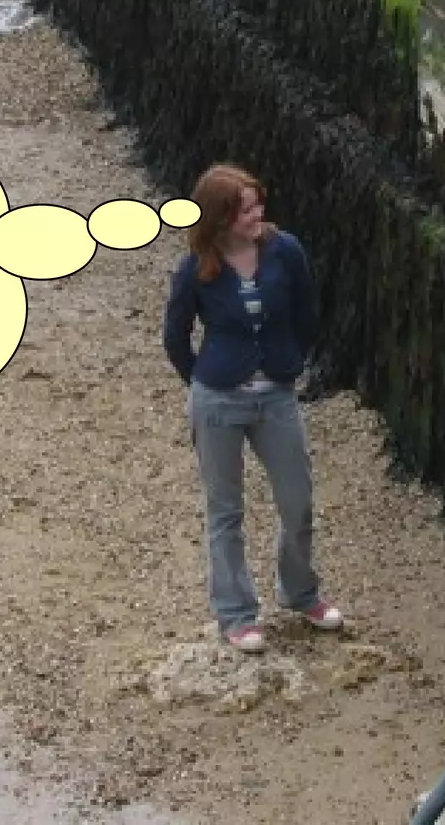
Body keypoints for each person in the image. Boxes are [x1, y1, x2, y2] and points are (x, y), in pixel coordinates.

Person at [164, 163, 343, 653]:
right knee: (226, 512)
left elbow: (307, 314)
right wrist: (207, 379)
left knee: (298, 501)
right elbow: (176, 339)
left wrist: (291, 362)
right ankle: (237, 614)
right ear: (220, 218)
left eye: (258, 203)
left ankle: (300, 592)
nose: (258, 214)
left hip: (276, 396)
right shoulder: (194, 269)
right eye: (246, 209)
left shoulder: (286, 251)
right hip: (218, 400)